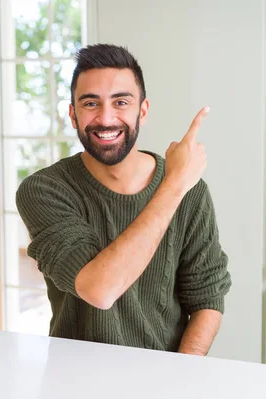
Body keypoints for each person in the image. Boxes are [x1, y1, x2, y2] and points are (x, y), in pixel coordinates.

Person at [16, 43, 231, 356]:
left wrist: (183, 375)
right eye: (91, 103)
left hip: (164, 380)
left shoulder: (190, 190)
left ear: (142, 110)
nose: (106, 118)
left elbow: (207, 299)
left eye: (121, 102)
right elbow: (99, 289)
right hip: (73, 380)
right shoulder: (44, 190)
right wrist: (174, 185)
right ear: (72, 114)